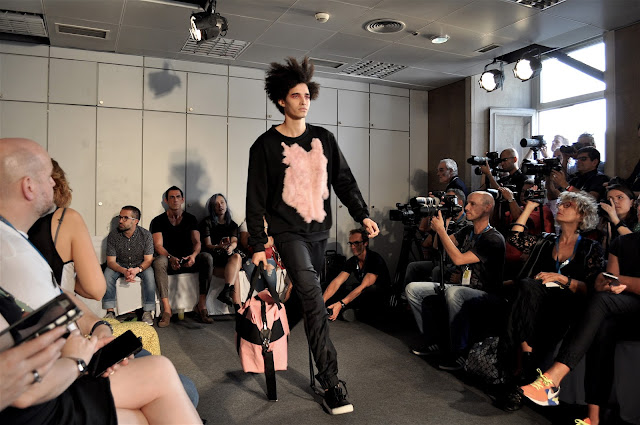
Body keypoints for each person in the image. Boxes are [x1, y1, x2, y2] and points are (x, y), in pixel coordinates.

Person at [0, 137, 202, 424]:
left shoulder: (17, 241)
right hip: (57, 380)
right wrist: (78, 359)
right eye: (47, 176)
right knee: (174, 382)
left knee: (171, 392)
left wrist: (98, 328)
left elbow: (58, 296)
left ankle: (147, 311)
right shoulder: (11, 250)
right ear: (28, 186)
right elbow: (99, 278)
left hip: (75, 355)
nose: (54, 183)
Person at [245, 57, 379, 415]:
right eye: (296, 95)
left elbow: (344, 182)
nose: (304, 101)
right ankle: (330, 381)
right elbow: (255, 199)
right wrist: (257, 243)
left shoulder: (324, 139)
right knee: (315, 300)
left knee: (307, 300)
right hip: (287, 234)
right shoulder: (264, 146)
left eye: (307, 95)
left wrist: (363, 215)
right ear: (281, 100)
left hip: (319, 233)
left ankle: (268, 338)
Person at [520, 231, 640, 424]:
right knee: (602, 325)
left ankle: (552, 380)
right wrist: (605, 284)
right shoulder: (622, 242)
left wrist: (620, 281)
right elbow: (609, 280)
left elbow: (618, 280)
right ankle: (593, 418)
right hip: (620, 310)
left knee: (601, 304)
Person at [500, 191, 604, 411]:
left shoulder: (590, 247)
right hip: (536, 302)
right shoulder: (546, 241)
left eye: (568, 205)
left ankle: (521, 369)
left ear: (582, 215)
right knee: (527, 286)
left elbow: (591, 288)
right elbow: (515, 238)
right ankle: (527, 361)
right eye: (561, 204)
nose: (560, 208)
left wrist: (562, 279)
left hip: (568, 304)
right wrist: (529, 207)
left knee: (526, 290)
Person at [405, 191, 505, 369]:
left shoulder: (493, 239)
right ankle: (434, 341)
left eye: (472, 204)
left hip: (486, 294)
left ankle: (459, 353)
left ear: (487, 207)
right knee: (413, 289)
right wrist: (444, 224)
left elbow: (459, 259)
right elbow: (437, 245)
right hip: (463, 287)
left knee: (454, 292)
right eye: (467, 203)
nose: (466, 207)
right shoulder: (467, 231)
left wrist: (441, 231)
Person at [28, 159, 105, 301]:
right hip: (50, 310)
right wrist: (69, 278)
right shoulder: (66, 219)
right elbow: (96, 290)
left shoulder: (8, 223)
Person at [150, 186, 214, 327]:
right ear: (166, 201)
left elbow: (197, 242)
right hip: (169, 260)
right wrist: (170, 258)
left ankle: (201, 306)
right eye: (171, 197)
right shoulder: (158, 221)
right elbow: (158, 246)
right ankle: (167, 310)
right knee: (159, 262)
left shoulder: (191, 219)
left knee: (206, 258)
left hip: (188, 259)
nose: (175, 200)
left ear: (183, 199)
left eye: (178, 197)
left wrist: (193, 256)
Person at [403, 189, 469, 288]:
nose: (444, 204)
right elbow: (436, 245)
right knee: (413, 266)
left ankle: (434, 295)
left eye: (448, 200)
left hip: (454, 264)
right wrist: (435, 213)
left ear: (459, 202)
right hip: (441, 260)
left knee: (437, 271)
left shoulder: (466, 224)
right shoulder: (444, 220)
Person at [101, 206, 155, 325]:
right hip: (120, 264)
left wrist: (137, 270)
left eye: (125, 218)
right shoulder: (113, 235)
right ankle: (110, 311)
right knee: (108, 274)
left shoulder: (146, 235)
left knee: (150, 275)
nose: (120, 221)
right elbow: (111, 261)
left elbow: (148, 260)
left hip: (140, 264)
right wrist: (124, 271)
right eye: (120, 217)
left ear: (135, 221)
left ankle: (147, 311)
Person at [323, 228, 390, 322]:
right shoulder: (352, 261)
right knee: (333, 289)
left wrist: (341, 304)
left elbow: (363, 286)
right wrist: (321, 302)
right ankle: (345, 310)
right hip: (362, 293)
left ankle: (356, 312)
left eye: (356, 243)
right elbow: (337, 282)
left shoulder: (375, 259)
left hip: (378, 297)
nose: (353, 247)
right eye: (351, 243)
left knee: (366, 289)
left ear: (365, 243)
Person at [199, 194, 242, 309]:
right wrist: (219, 246)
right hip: (214, 259)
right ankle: (238, 305)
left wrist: (231, 247)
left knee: (237, 257)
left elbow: (234, 241)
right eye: (216, 204)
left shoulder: (232, 224)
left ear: (226, 205)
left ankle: (227, 291)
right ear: (212, 208)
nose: (220, 206)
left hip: (227, 258)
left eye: (222, 202)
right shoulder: (207, 222)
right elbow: (208, 245)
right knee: (235, 273)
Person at [594, 182, 638, 253]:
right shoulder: (606, 221)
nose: (614, 202)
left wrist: (615, 219)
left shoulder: (638, 221)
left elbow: (635, 244)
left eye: (620, 197)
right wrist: (606, 235)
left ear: (632, 202)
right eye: (610, 199)